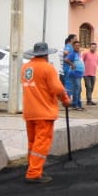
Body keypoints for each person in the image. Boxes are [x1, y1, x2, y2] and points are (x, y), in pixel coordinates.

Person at [21, 41, 70, 184]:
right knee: (41, 143)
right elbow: (58, 89)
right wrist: (65, 100)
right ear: (46, 55)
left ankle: (33, 166)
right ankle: (34, 173)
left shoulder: (25, 67)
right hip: (44, 112)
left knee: (32, 142)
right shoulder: (47, 68)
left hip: (29, 111)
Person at [61, 34, 84, 111]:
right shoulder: (72, 52)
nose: (78, 47)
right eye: (76, 45)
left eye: (79, 45)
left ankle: (78, 104)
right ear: (73, 46)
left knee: (79, 89)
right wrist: (72, 64)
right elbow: (66, 58)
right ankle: (74, 104)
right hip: (74, 73)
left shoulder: (78, 53)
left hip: (79, 74)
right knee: (75, 88)